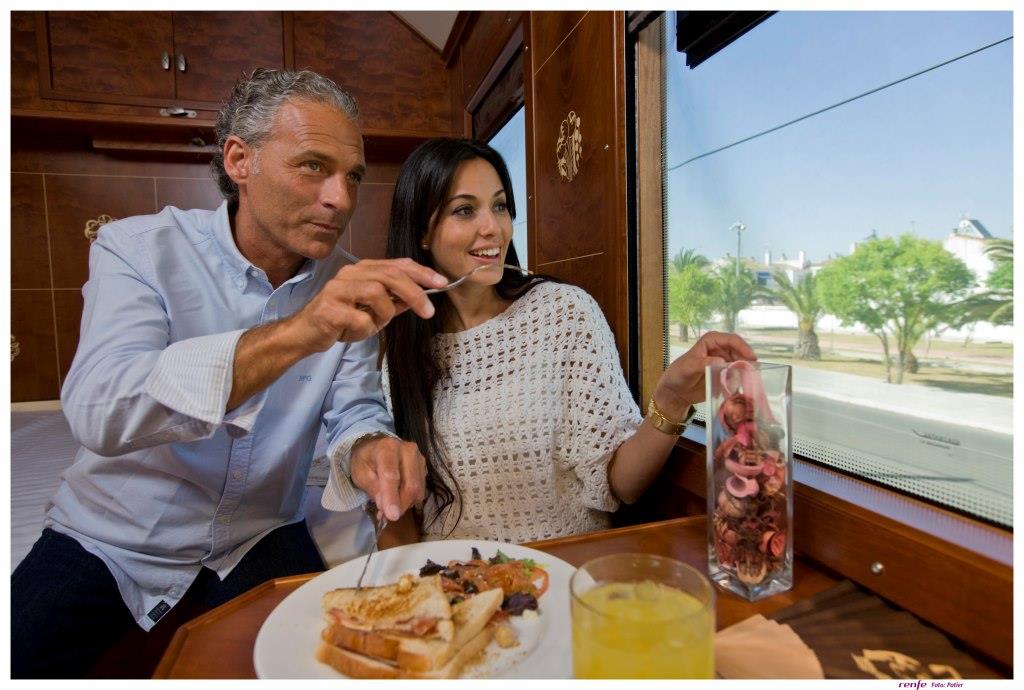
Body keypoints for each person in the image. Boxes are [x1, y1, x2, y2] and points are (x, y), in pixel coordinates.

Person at [10, 69, 441, 678]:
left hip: (260, 537)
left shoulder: (346, 283)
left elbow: (355, 409)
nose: (341, 199)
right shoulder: (136, 249)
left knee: (337, 670)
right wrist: (302, 330)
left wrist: (370, 447)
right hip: (110, 539)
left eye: (352, 176)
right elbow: (99, 411)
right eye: (313, 166)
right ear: (240, 160)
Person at [322, 138, 757, 545]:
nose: (492, 228)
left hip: (561, 568)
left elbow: (620, 485)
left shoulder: (564, 313)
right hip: (451, 581)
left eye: (500, 206)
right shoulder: (403, 351)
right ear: (422, 231)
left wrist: (672, 400)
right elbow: (404, 507)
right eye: (465, 210)